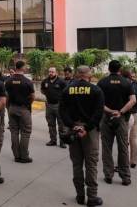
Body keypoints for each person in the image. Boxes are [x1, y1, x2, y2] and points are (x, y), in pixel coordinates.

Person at [59, 65, 105, 207]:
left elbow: (62, 111)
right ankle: (92, 197)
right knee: (91, 164)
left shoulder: (67, 89)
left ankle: (80, 195)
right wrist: (87, 127)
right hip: (89, 131)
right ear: (87, 74)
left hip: (73, 129)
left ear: (77, 74)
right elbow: (98, 112)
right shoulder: (96, 90)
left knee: (77, 163)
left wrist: (73, 126)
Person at [97, 60, 136, 186]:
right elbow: (133, 100)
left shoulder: (102, 82)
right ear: (120, 69)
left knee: (106, 148)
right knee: (123, 148)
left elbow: (98, 102)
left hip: (107, 119)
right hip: (121, 119)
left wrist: (110, 111)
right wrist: (120, 111)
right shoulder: (126, 82)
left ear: (109, 69)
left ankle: (108, 175)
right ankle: (125, 177)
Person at [5, 60, 35, 163]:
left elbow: (7, 96)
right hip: (23, 108)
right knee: (25, 132)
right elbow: (32, 96)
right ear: (22, 67)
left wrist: (8, 107)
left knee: (14, 131)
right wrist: (28, 105)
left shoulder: (8, 81)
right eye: (25, 66)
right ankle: (24, 156)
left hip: (12, 108)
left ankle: (16, 155)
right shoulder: (27, 81)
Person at [41, 66, 68, 147]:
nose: (51, 73)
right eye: (49, 71)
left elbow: (66, 92)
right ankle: (53, 140)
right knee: (51, 124)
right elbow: (42, 90)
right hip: (49, 105)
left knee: (61, 124)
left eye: (52, 72)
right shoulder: (45, 81)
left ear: (56, 73)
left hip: (59, 105)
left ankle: (62, 142)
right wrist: (47, 94)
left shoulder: (61, 81)